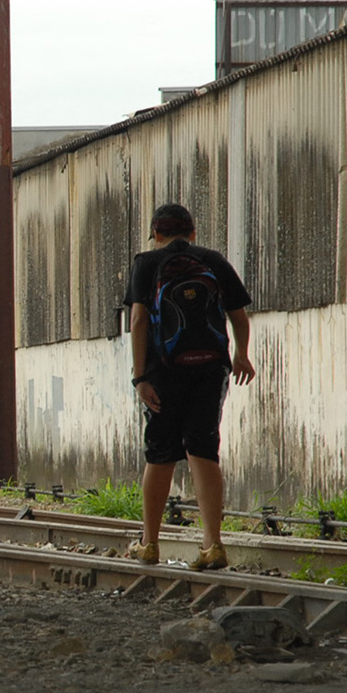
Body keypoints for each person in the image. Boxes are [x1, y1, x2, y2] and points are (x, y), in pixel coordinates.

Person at [124, 202, 255, 570]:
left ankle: (149, 543)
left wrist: (140, 377)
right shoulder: (213, 260)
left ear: (157, 235)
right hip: (210, 370)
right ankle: (212, 544)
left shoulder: (146, 263)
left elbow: (138, 321)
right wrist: (242, 355)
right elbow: (239, 317)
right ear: (192, 231)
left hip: (163, 371)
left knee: (160, 453)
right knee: (203, 449)